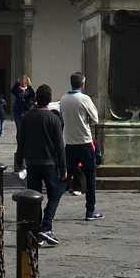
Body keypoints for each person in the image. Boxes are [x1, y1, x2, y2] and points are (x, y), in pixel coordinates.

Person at [15, 84, 66, 245]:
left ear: (36, 98)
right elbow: (59, 145)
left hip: (32, 163)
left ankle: (37, 231)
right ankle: (46, 227)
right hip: (49, 163)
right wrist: (63, 167)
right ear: (50, 100)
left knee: (34, 197)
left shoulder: (27, 117)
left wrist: (19, 161)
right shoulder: (53, 118)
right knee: (54, 195)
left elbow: (20, 140)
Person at [59, 71, 103, 220]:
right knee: (90, 177)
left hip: (70, 143)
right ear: (82, 84)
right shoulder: (84, 99)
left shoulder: (63, 99)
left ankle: (51, 208)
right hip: (84, 142)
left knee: (64, 178)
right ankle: (90, 211)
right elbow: (95, 118)